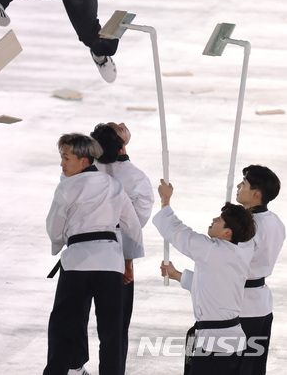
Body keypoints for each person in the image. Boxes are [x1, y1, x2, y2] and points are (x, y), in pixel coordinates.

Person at [44, 133, 143, 375]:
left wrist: (60, 244)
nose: (62, 163)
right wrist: (128, 260)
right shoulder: (114, 185)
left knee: (64, 325)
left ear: (84, 161)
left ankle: (62, 371)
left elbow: (54, 227)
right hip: (110, 263)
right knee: (111, 331)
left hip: (77, 263)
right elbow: (132, 226)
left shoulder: (66, 187)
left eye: (66, 158)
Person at [154, 180, 256, 375]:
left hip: (214, 344)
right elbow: (214, 289)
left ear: (227, 232)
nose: (214, 220)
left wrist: (165, 200)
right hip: (235, 341)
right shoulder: (241, 253)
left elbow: (176, 232)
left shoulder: (210, 250)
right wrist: (178, 276)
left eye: (219, 219)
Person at [89, 121, 154, 374]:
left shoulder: (86, 171)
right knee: (114, 328)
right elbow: (136, 222)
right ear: (121, 145)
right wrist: (129, 261)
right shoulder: (136, 178)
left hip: (80, 257)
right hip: (116, 260)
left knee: (74, 319)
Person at [235, 165, 285, 375]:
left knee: (235, 367)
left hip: (240, 305)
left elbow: (227, 263)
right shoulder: (276, 222)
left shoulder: (248, 226)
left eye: (244, 183)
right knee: (255, 368)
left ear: (256, 194)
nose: (238, 186)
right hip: (262, 304)